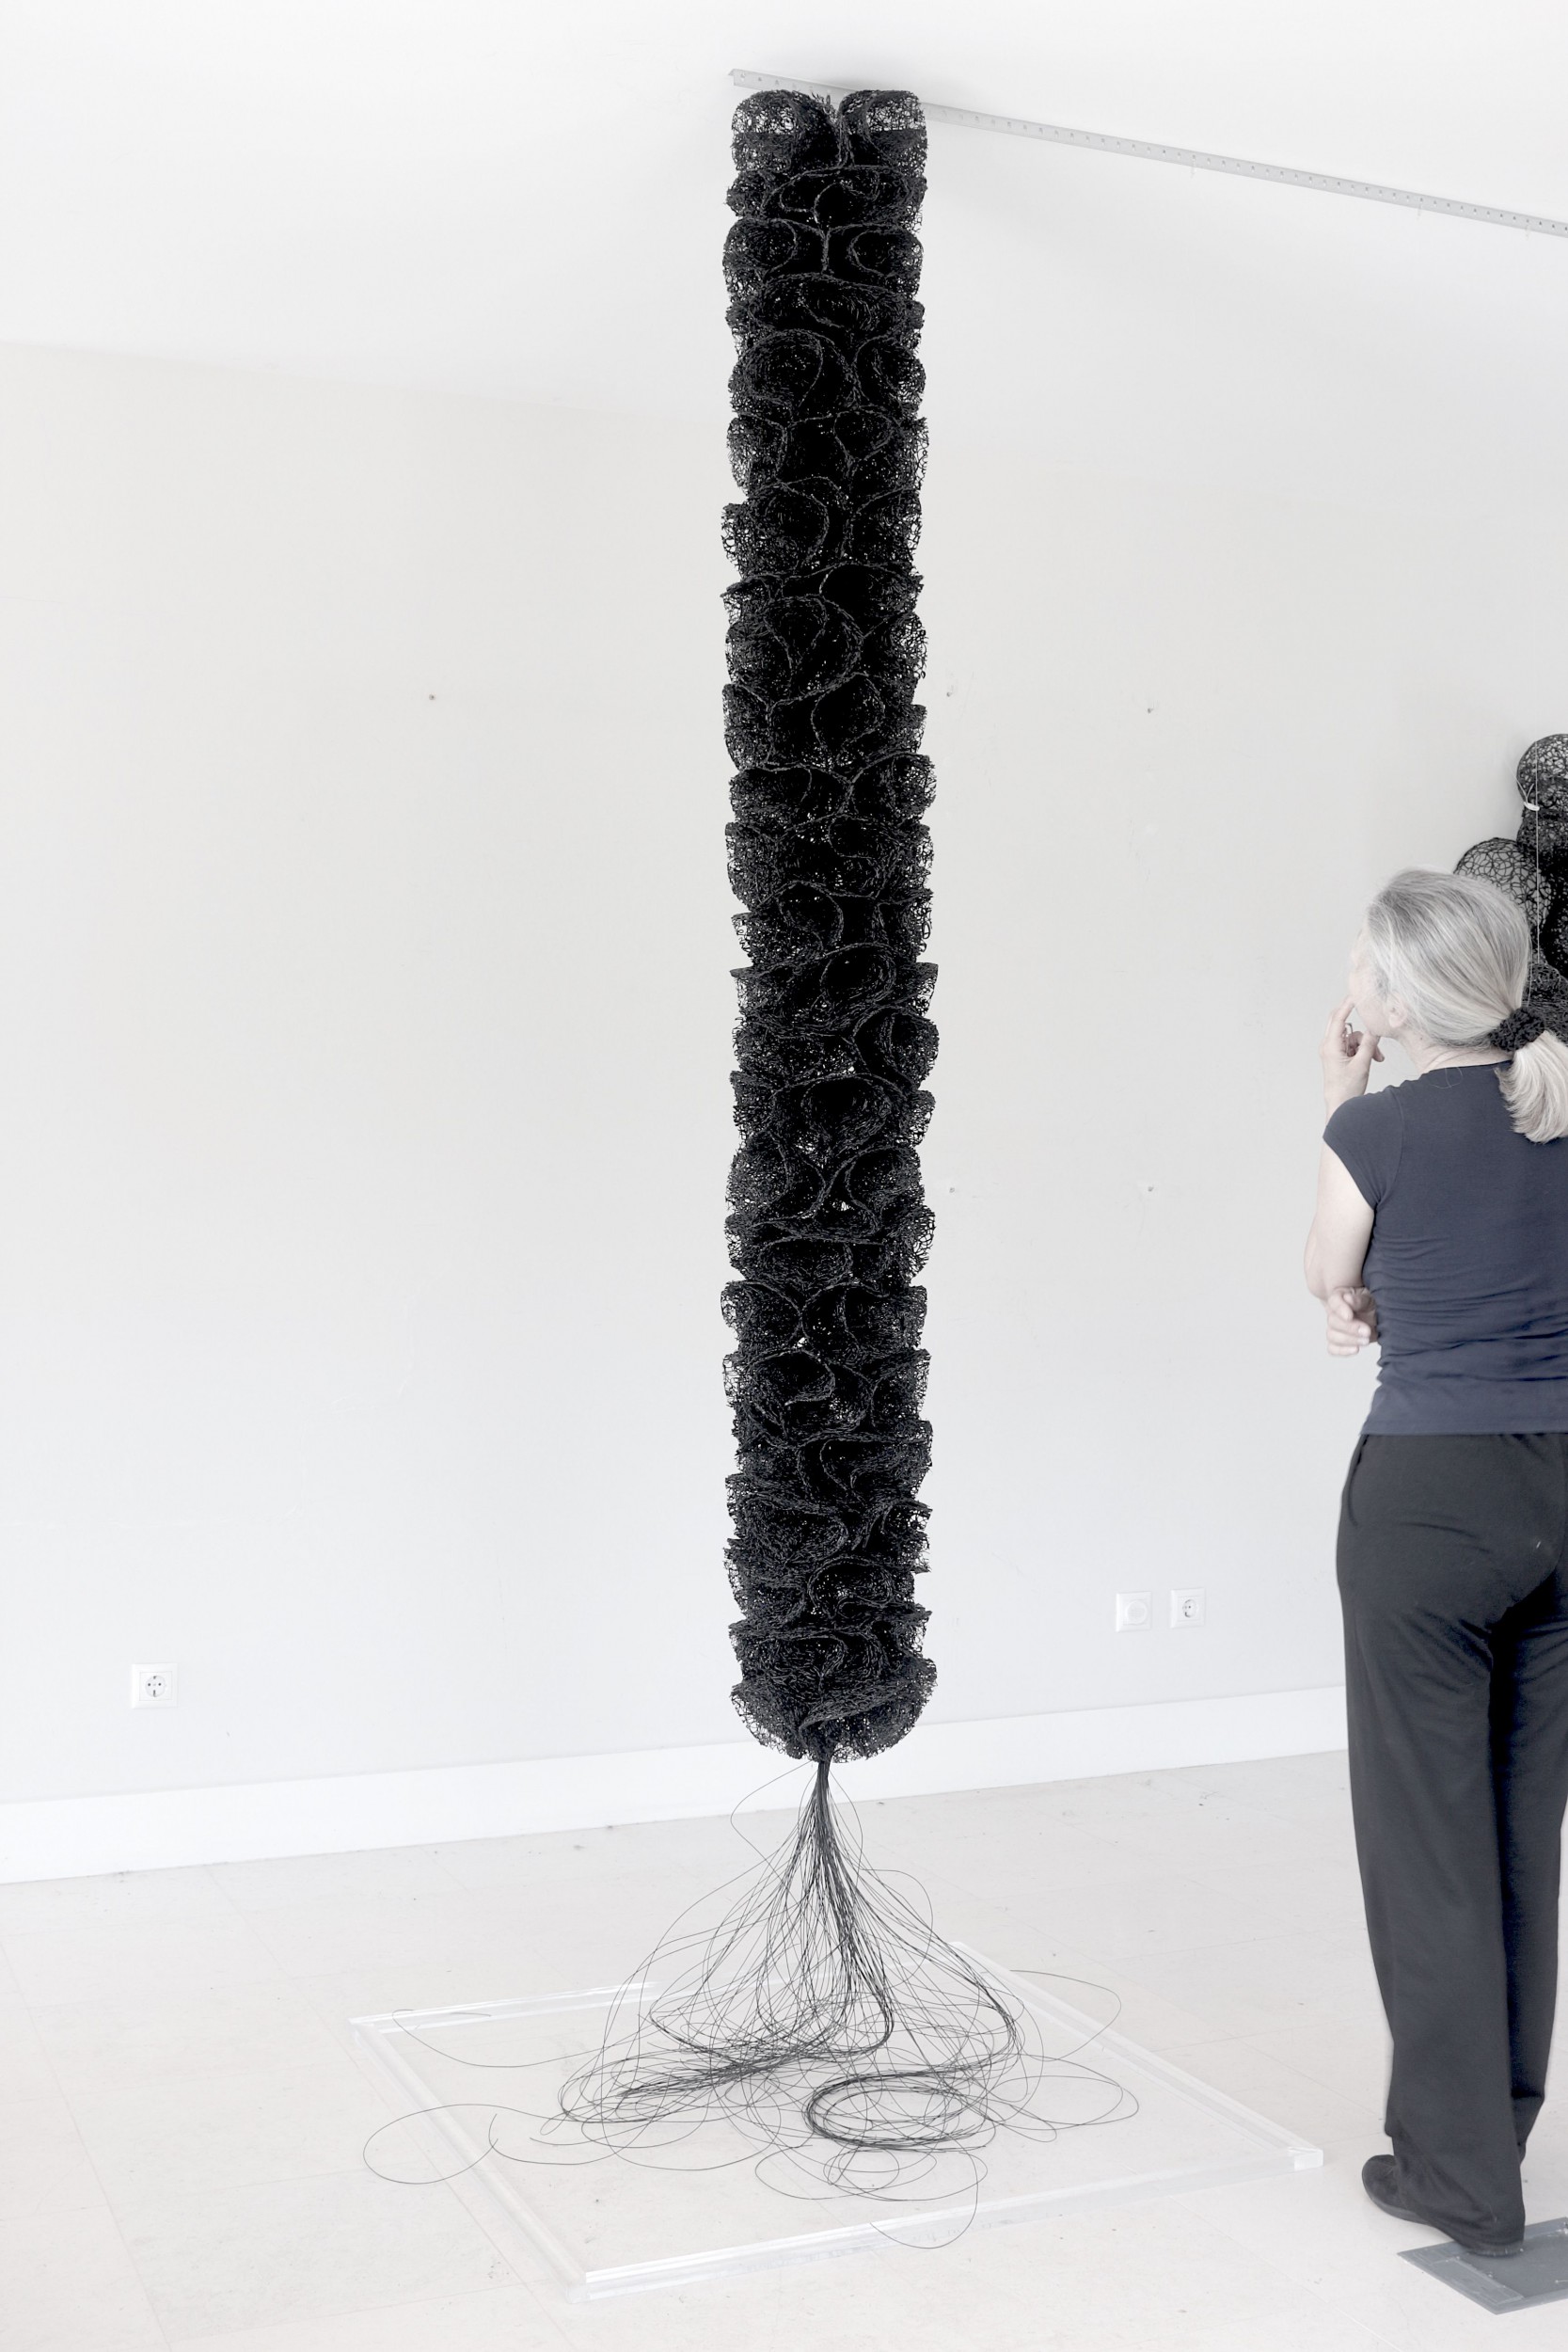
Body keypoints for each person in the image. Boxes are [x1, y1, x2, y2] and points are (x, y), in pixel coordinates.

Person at [1305, 866, 1568, 2259]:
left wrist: (1336, 1101)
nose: (1353, 985)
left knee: (1429, 1842)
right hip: (1565, 1490)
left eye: (1364, 968)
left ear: (1398, 1001)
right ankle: (1492, 2137)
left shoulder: (1374, 1128)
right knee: (1523, 1831)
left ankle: (1460, 2179)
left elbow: (1327, 1273)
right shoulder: (1561, 1105)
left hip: (1431, 1506)